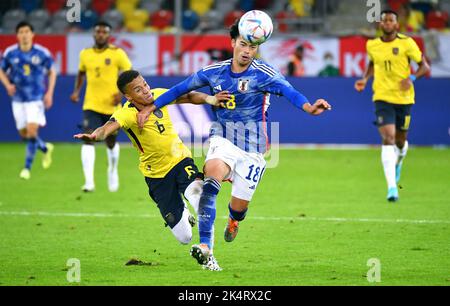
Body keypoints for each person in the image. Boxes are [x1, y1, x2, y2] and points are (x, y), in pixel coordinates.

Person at [137, 20, 331, 270]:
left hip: (254, 149)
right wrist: (152, 106)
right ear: (233, 43)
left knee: (239, 207)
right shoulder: (214, 71)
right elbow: (179, 89)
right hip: (224, 139)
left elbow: (290, 92)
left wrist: (309, 107)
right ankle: (206, 246)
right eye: (243, 44)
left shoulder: (265, 73)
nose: (247, 51)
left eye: (252, 46)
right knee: (210, 182)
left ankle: (234, 219)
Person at [74, 70, 230, 271]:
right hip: (156, 176)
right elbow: (107, 128)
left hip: (181, 161)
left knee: (200, 198)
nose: (146, 91)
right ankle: (181, 210)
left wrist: (211, 99)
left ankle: (208, 255)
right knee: (184, 237)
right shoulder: (126, 113)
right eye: (139, 90)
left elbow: (189, 96)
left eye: (145, 84)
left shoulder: (158, 95)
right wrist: (95, 136)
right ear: (129, 96)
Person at [355, 10, 430, 202]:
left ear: (397, 24)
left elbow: (425, 66)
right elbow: (372, 63)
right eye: (384, 20)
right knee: (388, 137)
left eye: (391, 20)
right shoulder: (372, 45)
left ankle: (399, 161)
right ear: (380, 24)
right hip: (382, 97)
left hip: (404, 99)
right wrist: (364, 79)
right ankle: (391, 188)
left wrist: (412, 78)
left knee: (400, 140)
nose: (387, 23)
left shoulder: (407, 43)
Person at [70, 21, 132, 193]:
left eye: (104, 32)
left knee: (110, 142)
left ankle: (112, 170)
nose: (101, 34)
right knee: (88, 138)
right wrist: (76, 91)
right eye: (98, 31)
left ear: (109, 35)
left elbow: (128, 75)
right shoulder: (85, 54)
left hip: (112, 107)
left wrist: (120, 94)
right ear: (94, 34)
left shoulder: (117, 53)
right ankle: (89, 181)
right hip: (91, 104)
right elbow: (81, 73)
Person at [0, 21, 56, 180]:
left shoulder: (42, 53)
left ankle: (26, 168)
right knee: (24, 133)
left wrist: (49, 93)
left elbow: (52, 72)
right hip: (17, 99)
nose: (24, 35)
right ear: (17, 35)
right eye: (21, 32)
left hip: (35, 98)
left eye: (27, 31)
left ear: (32, 34)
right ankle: (45, 148)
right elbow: (1, 70)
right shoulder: (10, 53)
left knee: (32, 131)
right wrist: (7, 85)